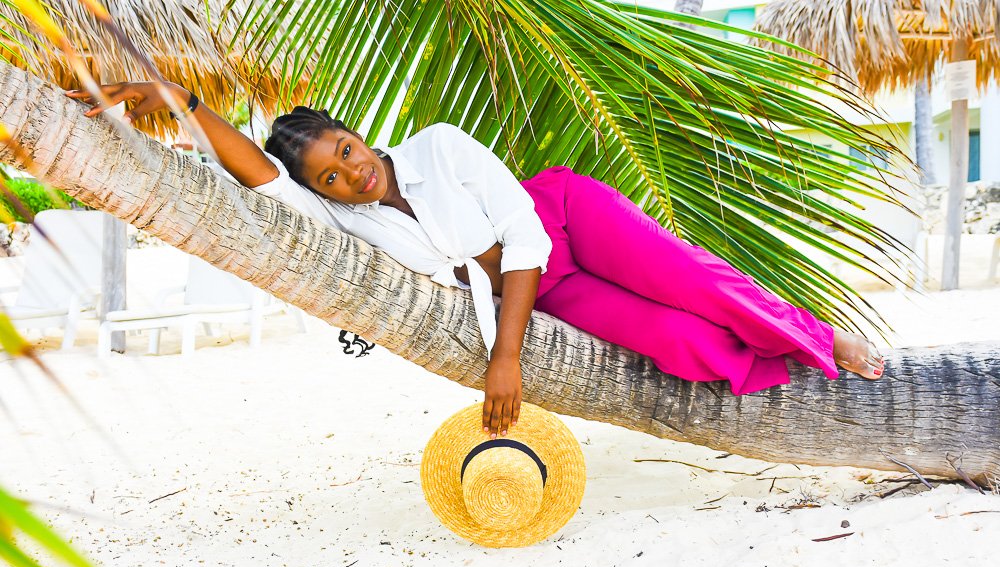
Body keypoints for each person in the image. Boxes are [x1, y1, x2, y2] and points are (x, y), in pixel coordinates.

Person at [66, 82, 885, 439]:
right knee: (678, 344)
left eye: (347, 150)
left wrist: (505, 362)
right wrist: (170, 101)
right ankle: (795, 362)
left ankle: (821, 335)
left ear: (357, 131)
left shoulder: (438, 146)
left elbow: (525, 238)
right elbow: (260, 173)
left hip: (564, 224)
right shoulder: (334, 214)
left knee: (692, 281)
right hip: (541, 296)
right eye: (332, 177)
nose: (354, 173)